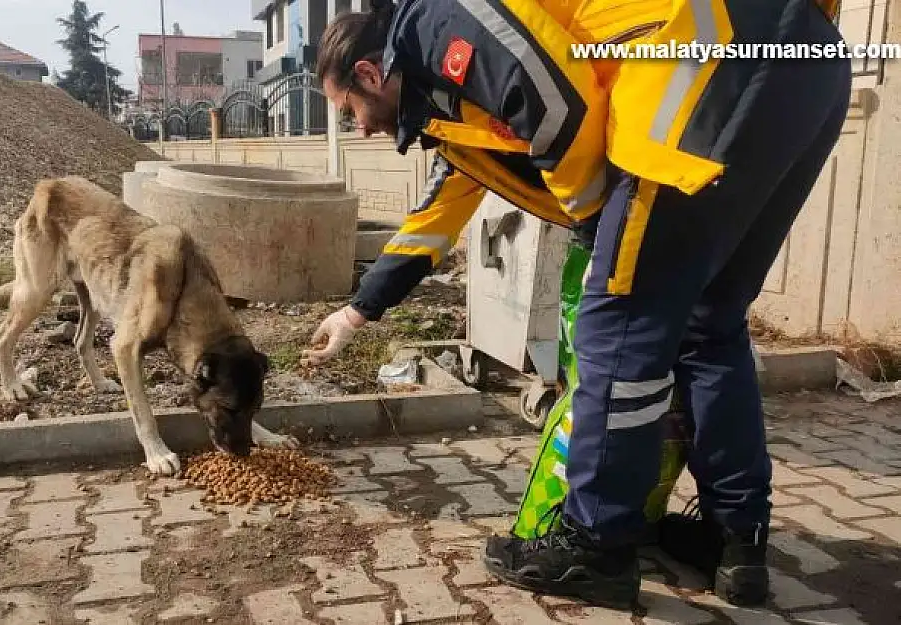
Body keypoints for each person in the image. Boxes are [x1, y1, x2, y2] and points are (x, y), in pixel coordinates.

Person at [302, 0, 851, 610]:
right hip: (798, 63)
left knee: (619, 324)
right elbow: (438, 215)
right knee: (709, 324)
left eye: (347, 109)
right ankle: (735, 541)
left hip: (704, 70)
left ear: (371, 74)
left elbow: (555, 103)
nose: (357, 127)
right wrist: (355, 314)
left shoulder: (437, 23)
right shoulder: (447, 104)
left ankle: (595, 545)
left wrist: (598, 232)